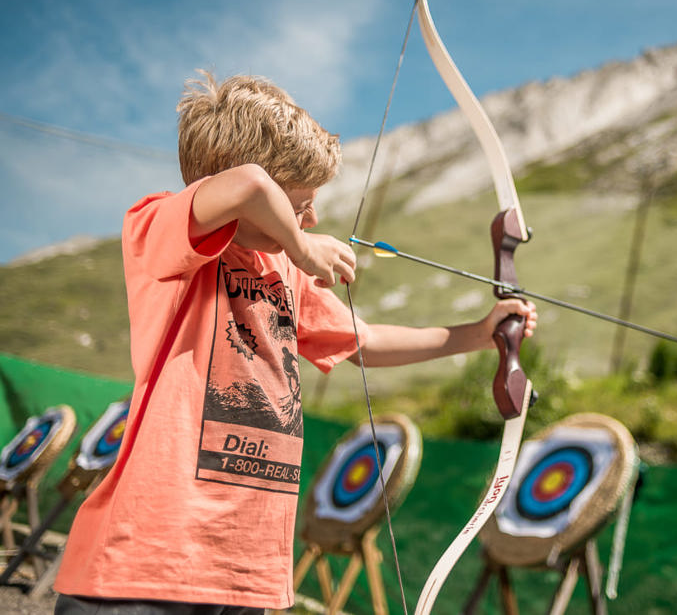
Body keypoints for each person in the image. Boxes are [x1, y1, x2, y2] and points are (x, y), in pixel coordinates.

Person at [53, 71, 537, 614]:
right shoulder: (158, 229)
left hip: (246, 565)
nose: (310, 217)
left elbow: (367, 342)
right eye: (301, 203)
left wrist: (479, 334)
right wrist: (304, 245)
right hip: (146, 562)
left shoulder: (282, 267)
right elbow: (250, 187)